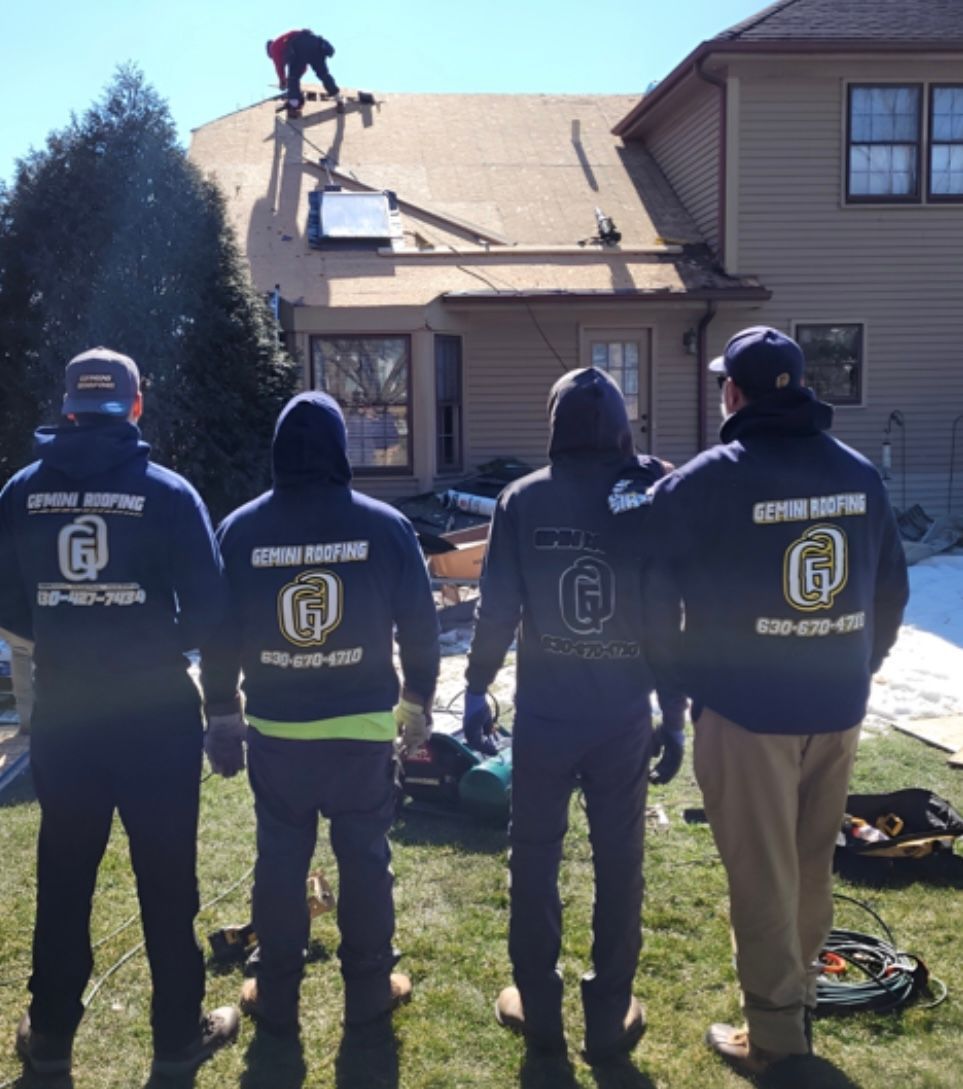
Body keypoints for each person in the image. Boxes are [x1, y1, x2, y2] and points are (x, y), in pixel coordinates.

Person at [646, 327, 909, 1077]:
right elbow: (891, 589)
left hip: (747, 714)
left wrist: (680, 688)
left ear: (733, 393)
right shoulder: (858, 474)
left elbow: (652, 602)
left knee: (763, 876)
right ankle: (795, 1000)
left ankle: (774, 1040)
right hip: (836, 706)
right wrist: (860, 664)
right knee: (809, 863)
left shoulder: (702, 482)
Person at [0, 348, 239, 1079]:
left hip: (67, 714)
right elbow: (210, 611)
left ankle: (50, 1036)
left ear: (68, 407)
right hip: (155, 715)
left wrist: (70, 634)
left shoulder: (20, 493)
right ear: (135, 406)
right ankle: (176, 1036)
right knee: (167, 879)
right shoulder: (167, 494)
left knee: (64, 875)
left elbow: (9, 605)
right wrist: (149, 639)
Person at [463, 367, 686, 1063]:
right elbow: (665, 616)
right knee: (619, 860)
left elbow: (497, 607)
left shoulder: (523, 498)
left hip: (545, 718)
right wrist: (673, 713)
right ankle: (608, 1011)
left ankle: (539, 1006)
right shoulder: (644, 497)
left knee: (534, 857)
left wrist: (476, 685)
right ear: (620, 424)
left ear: (556, 422)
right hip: (621, 716)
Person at [201, 391, 439, 1038]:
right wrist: (417, 701)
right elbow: (421, 627)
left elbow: (217, 636)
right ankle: (369, 989)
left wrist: (221, 712)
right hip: (361, 733)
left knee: (280, 862)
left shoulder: (240, 530)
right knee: (364, 860)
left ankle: (275, 993)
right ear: (341, 448)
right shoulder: (386, 526)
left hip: (277, 734)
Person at [266, 30, 340, 113]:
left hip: (300, 46)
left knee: (293, 78)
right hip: (315, 43)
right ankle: (338, 98)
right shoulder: (284, 42)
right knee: (323, 74)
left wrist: (283, 82)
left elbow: (279, 67)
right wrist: (292, 80)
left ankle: (294, 105)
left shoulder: (274, 48)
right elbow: (303, 68)